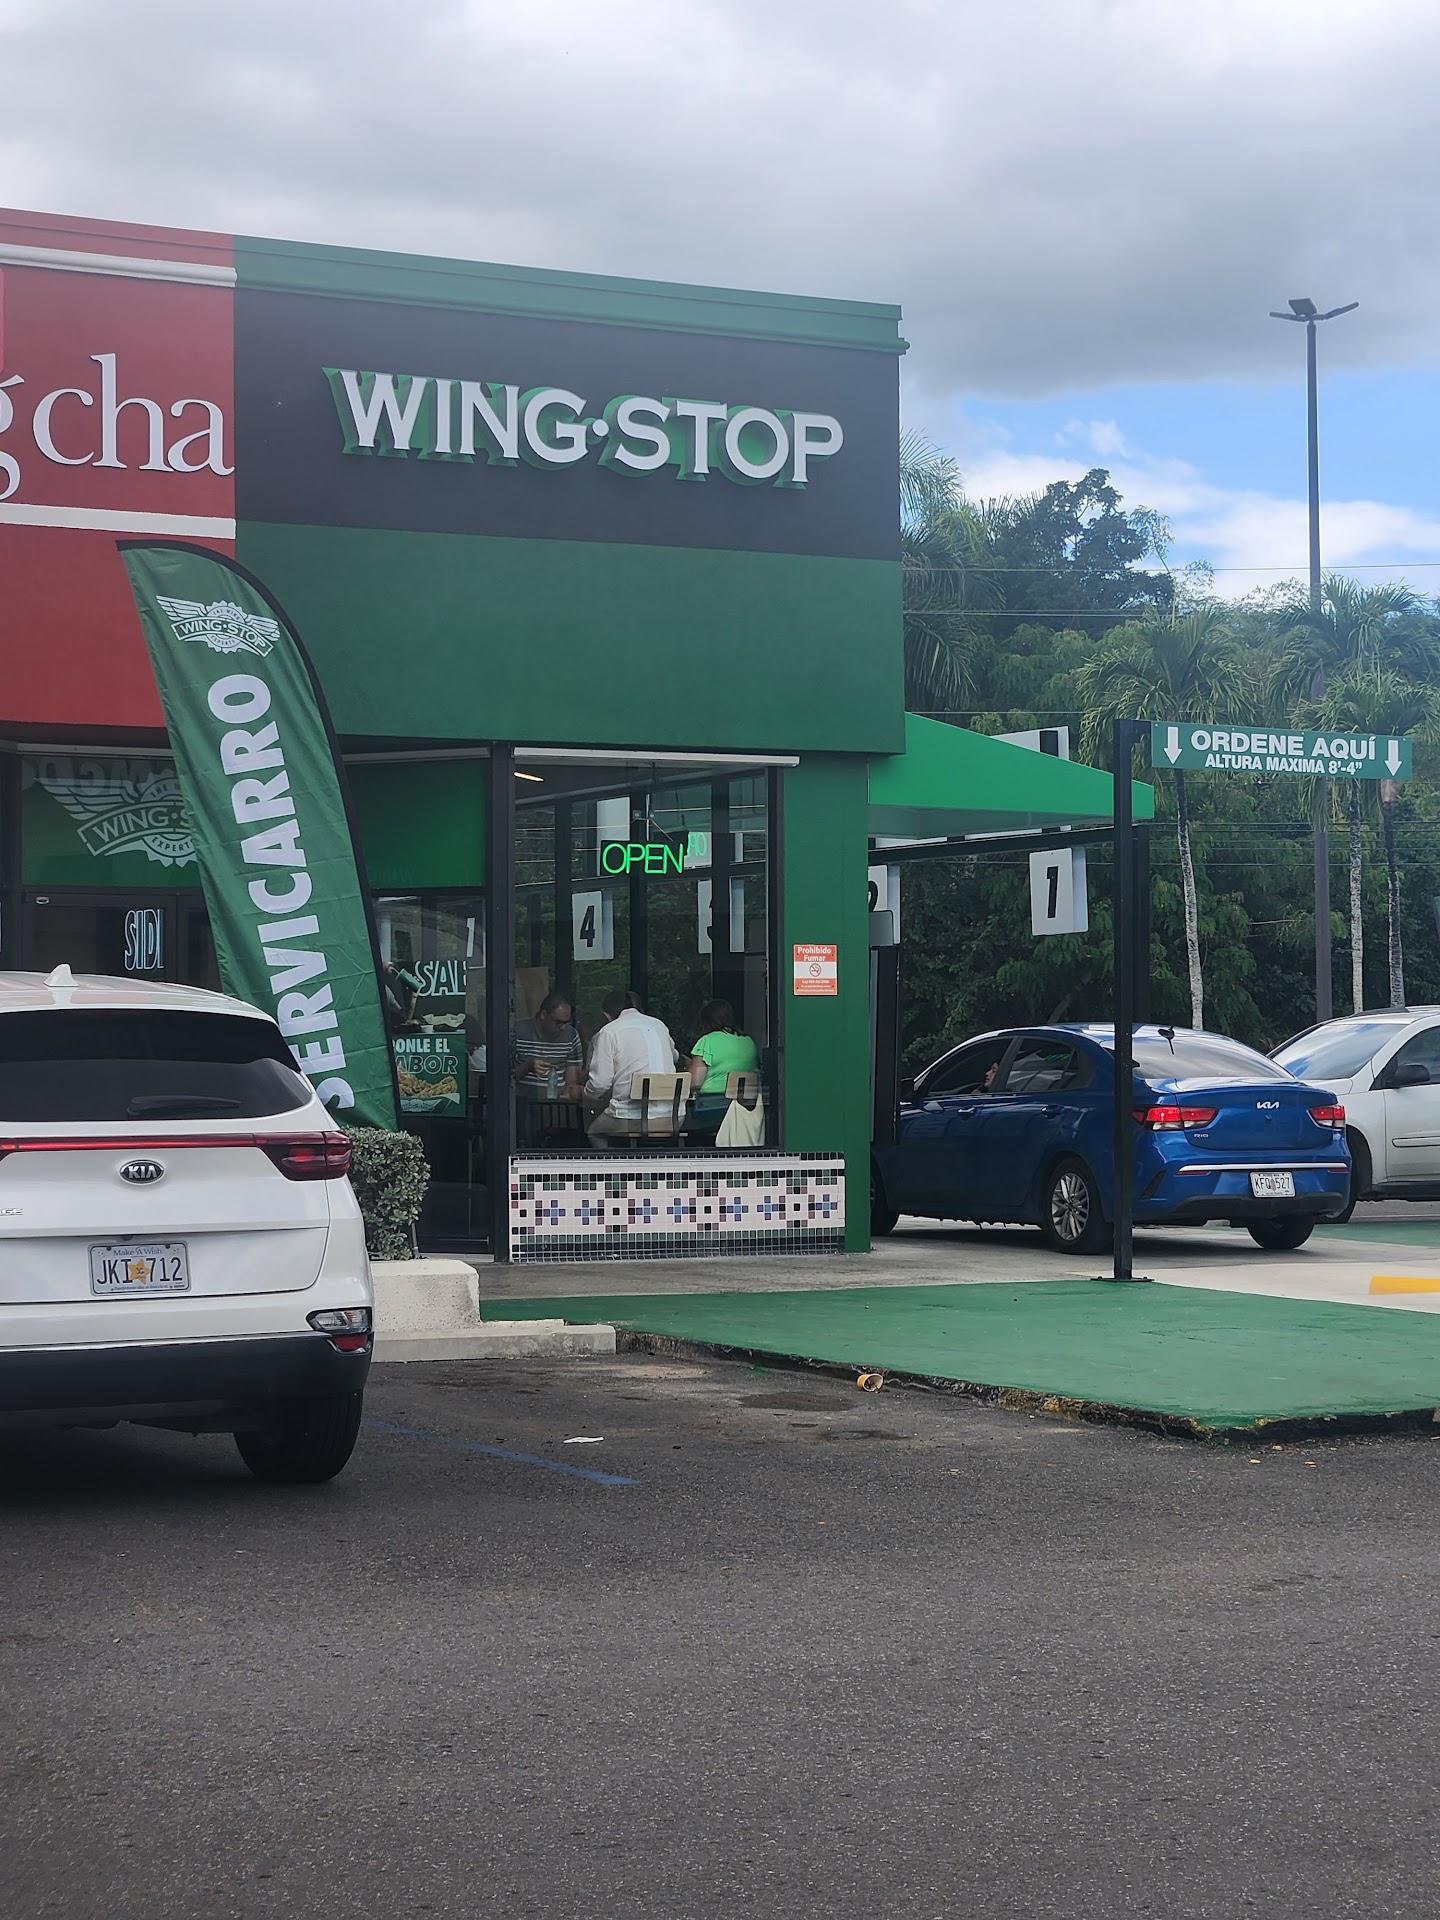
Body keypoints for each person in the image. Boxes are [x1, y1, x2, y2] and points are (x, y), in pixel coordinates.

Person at [584, 986, 681, 1146]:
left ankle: (611, 1163)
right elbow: (675, 1056)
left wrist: (585, 1095)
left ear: (606, 1015)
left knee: (594, 1132)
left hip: (630, 1117)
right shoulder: (659, 1025)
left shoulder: (608, 1032)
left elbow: (600, 1083)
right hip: (673, 1116)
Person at [686, 1000, 761, 1138]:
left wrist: (689, 1066)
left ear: (706, 1021)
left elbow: (694, 1082)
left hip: (712, 1107)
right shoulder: (748, 1041)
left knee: (682, 1115)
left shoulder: (707, 1041)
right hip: (744, 1107)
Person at [512, 993, 583, 1102]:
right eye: (559, 1022)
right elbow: (503, 1079)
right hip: (521, 1102)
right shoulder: (517, 1031)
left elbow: (572, 1081)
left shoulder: (571, 1035)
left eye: (567, 1022)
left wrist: (569, 1093)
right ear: (544, 1015)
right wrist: (528, 1066)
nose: (563, 1028)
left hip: (556, 1104)